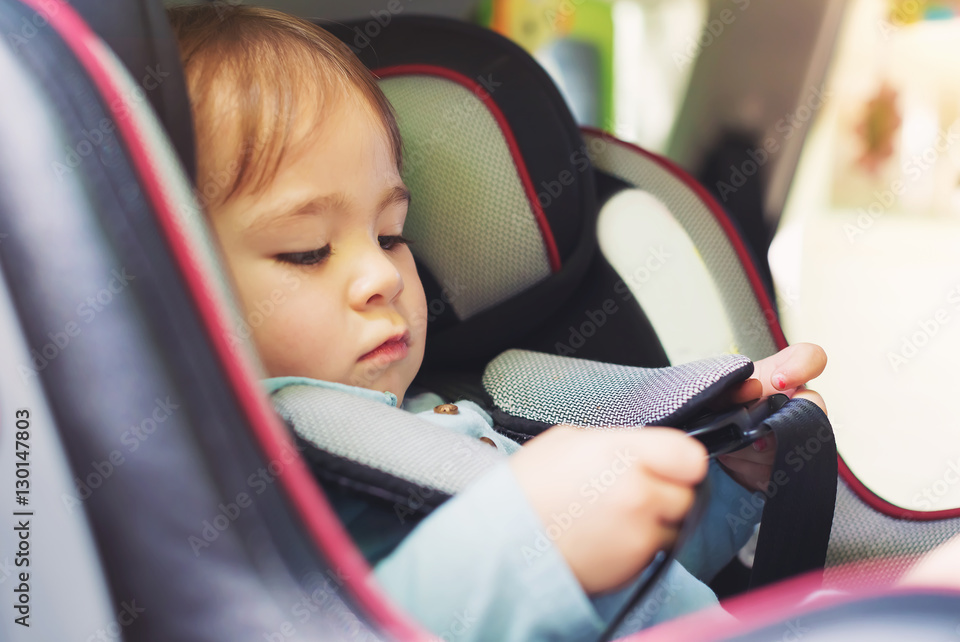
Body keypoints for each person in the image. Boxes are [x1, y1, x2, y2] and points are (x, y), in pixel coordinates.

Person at [167, 5, 828, 639]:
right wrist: (529, 545)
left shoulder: (437, 421)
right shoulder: (242, 490)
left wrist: (725, 476)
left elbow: (636, 582)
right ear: (163, 293)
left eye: (392, 234)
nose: (383, 276)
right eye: (307, 250)